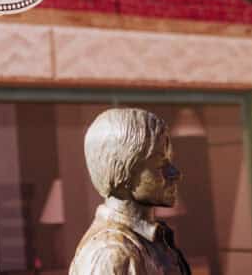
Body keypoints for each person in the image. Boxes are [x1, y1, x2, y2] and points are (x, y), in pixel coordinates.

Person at [69, 108, 191, 275]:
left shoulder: (152, 241)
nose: (175, 173)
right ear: (122, 173)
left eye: (169, 161)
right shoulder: (111, 254)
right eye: (160, 164)